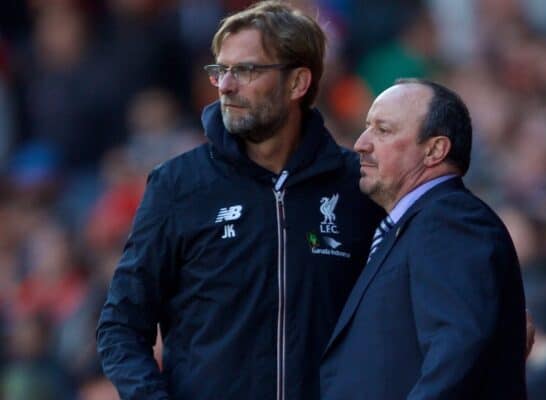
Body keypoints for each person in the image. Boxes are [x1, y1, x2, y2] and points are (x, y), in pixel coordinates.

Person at [96, 2, 382, 400]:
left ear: (298, 82)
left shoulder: (359, 187)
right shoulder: (178, 185)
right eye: (220, 70)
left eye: (246, 70)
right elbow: (121, 325)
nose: (226, 85)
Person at [320, 79, 528, 399]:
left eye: (383, 130)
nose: (361, 143)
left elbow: (458, 350)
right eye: (366, 128)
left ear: (434, 150)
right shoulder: (414, 226)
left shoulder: (450, 221)